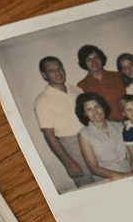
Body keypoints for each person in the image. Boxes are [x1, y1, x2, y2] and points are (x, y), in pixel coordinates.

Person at [33, 57, 94, 188]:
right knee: (87, 185)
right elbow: (49, 135)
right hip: (72, 144)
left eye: (59, 68)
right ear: (44, 75)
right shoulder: (42, 100)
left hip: (92, 137)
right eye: (51, 70)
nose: (57, 73)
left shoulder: (77, 90)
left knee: (106, 178)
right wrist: (68, 162)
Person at [75, 93, 132, 181]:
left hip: (129, 171)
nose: (95, 112)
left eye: (97, 107)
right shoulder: (84, 134)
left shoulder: (119, 126)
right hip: (107, 179)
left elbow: (131, 155)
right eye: (89, 110)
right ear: (84, 113)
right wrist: (124, 176)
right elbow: (94, 169)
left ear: (103, 107)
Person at [75, 44, 127, 119]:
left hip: (126, 121)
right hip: (103, 126)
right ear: (84, 63)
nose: (94, 62)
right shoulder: (82, 86)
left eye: (96, 57)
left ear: (101, 58)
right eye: (89, 59)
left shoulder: (118, 76)